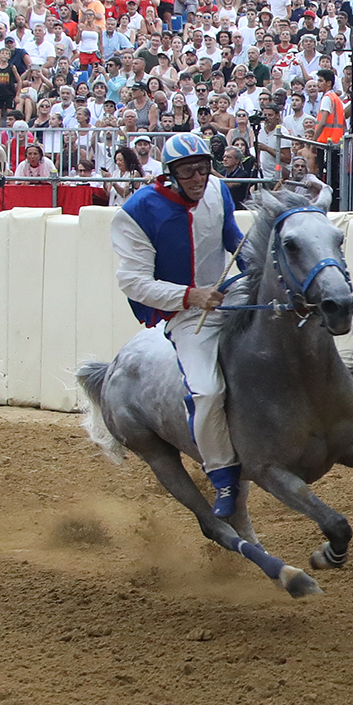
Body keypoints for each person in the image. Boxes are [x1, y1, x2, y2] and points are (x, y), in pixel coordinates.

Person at [109, 132, 244, 517]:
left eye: (203, 169)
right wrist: (192, 296)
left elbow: (232, 238)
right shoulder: (136, 212)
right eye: (188, 172)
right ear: (170, 175)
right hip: (188, 316)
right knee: (205, 391)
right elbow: (134, 282)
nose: (198, 179)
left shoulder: (218, 190)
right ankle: (223, 477)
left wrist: (257, 266)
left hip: (231, 297)